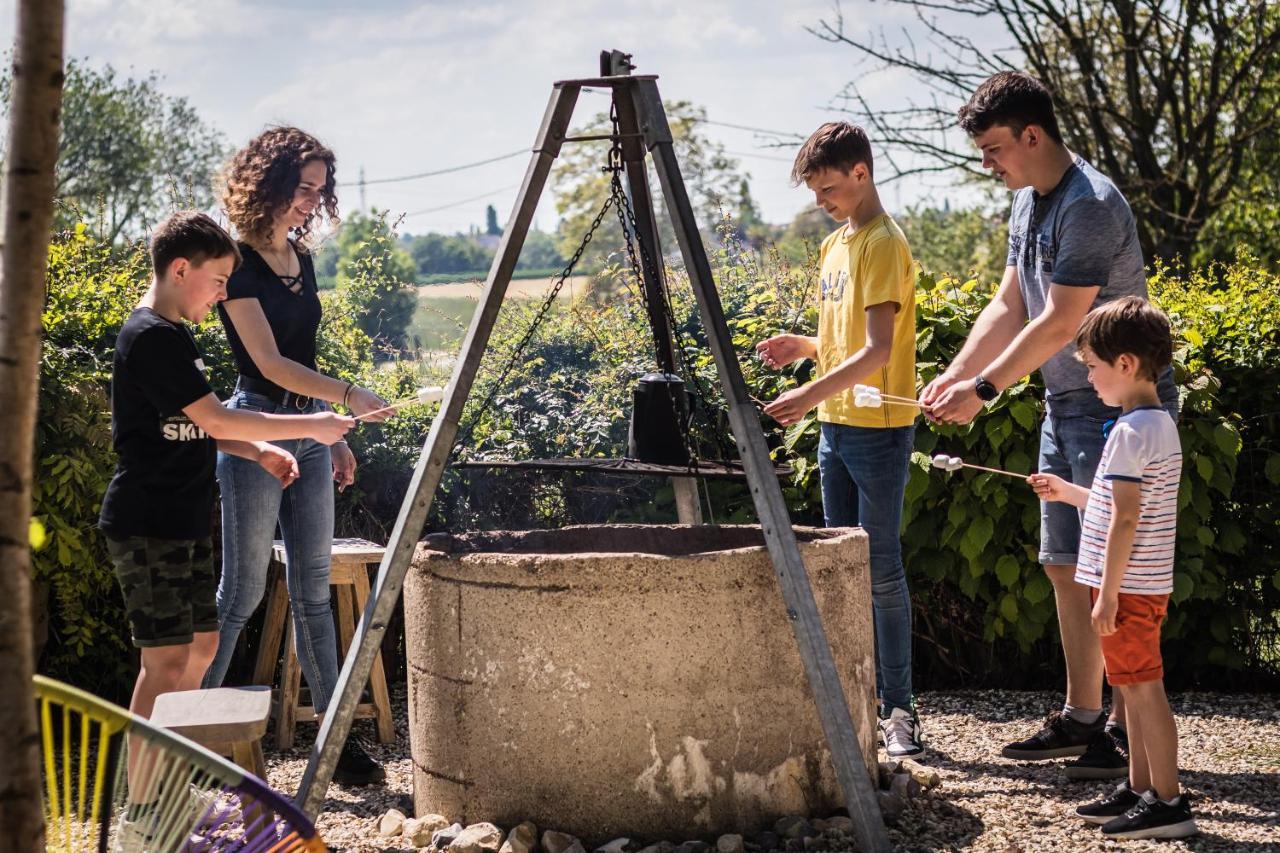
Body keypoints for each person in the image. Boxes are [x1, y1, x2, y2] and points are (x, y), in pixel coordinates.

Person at [922, 71, 1178, 779]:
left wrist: (984, 389)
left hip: (1113, 410)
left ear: (1032, 135)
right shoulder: (1029, 205)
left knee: (1114, 576)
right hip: (1064, 404)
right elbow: (1009, 305)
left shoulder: (1089, 204)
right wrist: (956, 372)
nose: (988, 164)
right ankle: (1085, 716)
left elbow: (1063, 318)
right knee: (1066, 563)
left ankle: (1125, 742)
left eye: (995, 149)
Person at [98, 211, 353, 831]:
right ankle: (142, 816)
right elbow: (216, 418)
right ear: (180, 270)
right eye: (217, 282)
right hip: (146, 521)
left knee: (203, 647)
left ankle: (173, 787)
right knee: (161, 666)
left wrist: (256, 449)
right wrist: (308, 425)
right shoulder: (150, 336)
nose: (222, 294)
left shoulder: (176, 335)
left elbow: (197, 426)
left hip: (184, 520)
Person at [200, 127, 390, 786]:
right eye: (304, 188)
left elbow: (301, 361)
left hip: (310, 437)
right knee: (239, 596)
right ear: (270, 182)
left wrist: (333, 435)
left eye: (319, 190)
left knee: (313, 593)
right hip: (254, 430)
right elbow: (270, 363)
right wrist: (347, 397)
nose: (313, 201)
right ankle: (188, 739)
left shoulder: (300, 259)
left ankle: (336, 745)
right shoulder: (237, 262)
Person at [756, 121, 923, 758]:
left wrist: (807, 394)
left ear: (862, 173)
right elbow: (845, 341)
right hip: (835, 428)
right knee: (840, 573)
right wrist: (805, 348)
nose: (821, 201)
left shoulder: (884, 243)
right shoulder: (835, 246)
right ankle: (853, 704)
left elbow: (879, 353)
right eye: (815, 192)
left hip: (877, 432)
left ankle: (899, 711)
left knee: (879, 572)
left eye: (828, 188)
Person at [1029, 297, 1195, 839]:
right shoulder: (1156, 423)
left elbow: (1125, 521)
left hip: (1125, 588)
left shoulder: (1128, 432)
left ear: (1125, 364)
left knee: (1144, 692)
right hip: (1141, 586)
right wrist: (1068, 492)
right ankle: (1140, 787)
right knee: (1133, 687)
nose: (1091, 381)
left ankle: (1168, 802)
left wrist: (1106, 593)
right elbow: (1114, 504)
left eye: (1094, 369)